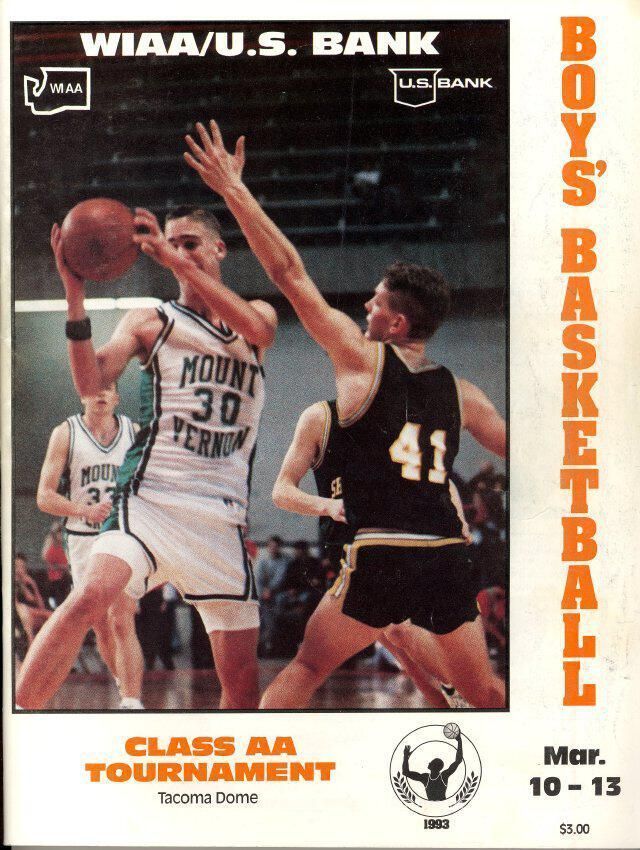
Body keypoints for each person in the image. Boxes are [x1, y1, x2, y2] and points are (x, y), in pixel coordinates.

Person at [184, 120, 506, 709]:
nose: (364, 306)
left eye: (375, 303)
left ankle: (253, 754)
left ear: (397, 324)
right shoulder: (465, 393)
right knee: (482, 692)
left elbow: (289, 274)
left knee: (307, 666)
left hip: (383, 549)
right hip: (446, 554)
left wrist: (234, 190)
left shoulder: (362, 360)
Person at [16, 196, 277, 710]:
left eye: (190, 244)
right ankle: (22, 720)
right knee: (90, 597)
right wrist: (74, 296)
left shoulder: (255, 315)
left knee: (243, 687)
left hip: (221, 516)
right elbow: (91, 383)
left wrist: (173, 258)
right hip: (150, 499)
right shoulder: (150, 320)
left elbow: (260, 331)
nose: (177, 252)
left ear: (220, 249)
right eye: (171, 243)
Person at [272, 399, 472, 708]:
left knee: (399, 634)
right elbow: (281, 491)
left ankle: (460, 696)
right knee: (399, 642)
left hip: (393, 548)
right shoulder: (321, 418)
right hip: (347, 550)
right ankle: (459, 694)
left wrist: (458, 518)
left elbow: (441, 478)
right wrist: (328, 505)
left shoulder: (404, 418)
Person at [36, 384, 145, 708]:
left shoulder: (134, 432)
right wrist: (84, 510)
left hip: (120, 534)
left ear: (116, 397)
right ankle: (122, 680)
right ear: (82, 394)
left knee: (122, 616)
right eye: (94, 388)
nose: (100, 394)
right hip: (82, 537)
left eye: (107, 388)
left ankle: (132, 701)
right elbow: (44, 496)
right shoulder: (66, 433)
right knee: (100, 624)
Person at [402, 733, 463, 801]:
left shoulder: (428, 777)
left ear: (434, 766)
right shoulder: (440, 776)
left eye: (431, 762)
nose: (429, 763)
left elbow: (405, 772)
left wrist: (405, 756)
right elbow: (405, 772)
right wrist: (405, 756)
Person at [255, 535, 289, 656]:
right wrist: (263, 591)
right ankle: (261, 645)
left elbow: (280, 578)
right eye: (271, 546)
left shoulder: (284, 560)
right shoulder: (262, 560)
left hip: (278, 594)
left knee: (275, 615)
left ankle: (271, 644)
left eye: (276, 546)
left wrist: (270, 590)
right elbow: (258, 579)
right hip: (263, 594)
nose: (273, 548)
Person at [14, 553, 52, 646]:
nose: (19, 570)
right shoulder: (12, 583)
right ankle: (31, 644)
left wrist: (33, 585)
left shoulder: (28, 582)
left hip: (33, 614)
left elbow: (41, 605)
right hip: (21, 615)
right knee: (25, 611)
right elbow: (16, 606)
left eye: (22, 567)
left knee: (51, 617)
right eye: (17, 567)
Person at [40, 521, 72, 608]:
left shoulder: (65, 546)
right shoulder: (50, 547)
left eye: (62, 533)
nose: (61, 535)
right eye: (59, 533)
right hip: (56, 580)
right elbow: (49, 563)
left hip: (66, 578)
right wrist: (64, 567)